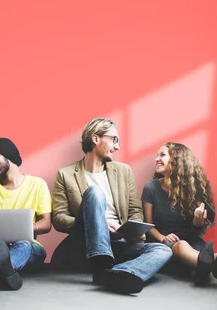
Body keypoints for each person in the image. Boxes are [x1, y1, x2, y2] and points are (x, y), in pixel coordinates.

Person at [52, 117, 172, 295]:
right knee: (94, 192)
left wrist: (133, 229)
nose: (117, 146)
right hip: (84, 243)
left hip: (118, 242)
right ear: (95, 139)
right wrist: (96, 223)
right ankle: (102, 260)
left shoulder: (123, 171)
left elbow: (135, 210)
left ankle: (118, 272)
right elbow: (59, 218)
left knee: (162, 250)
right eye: (114, 139)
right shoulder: (66, 175)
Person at [142, 142, 217, 284]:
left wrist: (198, 220)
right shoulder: (151, 188)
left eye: (162, 155)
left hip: (192, 242)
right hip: (163, 244)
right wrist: (163, 238)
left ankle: (203, 265)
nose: (156, 159)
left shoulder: (192, 191)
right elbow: (148, 225)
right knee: (182, 246)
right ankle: (214, 262)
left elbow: (196, 231)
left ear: (177, 161)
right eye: (156, 155)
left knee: (196, 251)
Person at [0, 137, 52, 291]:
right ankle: (6, 273)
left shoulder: (38, 185)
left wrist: (28, 228)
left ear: (8, 153)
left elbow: (46, 223)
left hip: (29, 248)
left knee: (24, 245)